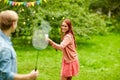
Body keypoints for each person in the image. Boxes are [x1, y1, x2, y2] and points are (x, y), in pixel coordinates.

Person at [0, 10, 39, 80]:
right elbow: (6, 75)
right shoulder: (5, 47)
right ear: (13, 24)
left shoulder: (4, 40)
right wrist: (29, 76)